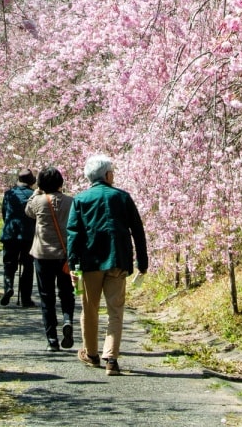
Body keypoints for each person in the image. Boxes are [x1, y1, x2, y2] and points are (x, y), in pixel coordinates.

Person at [66, 154, 148, 376]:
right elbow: (137, 231)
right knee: (115, 310)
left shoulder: (81, 200)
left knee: (89, 308)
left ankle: (91, 354)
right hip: (117, 260)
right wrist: (143, 261)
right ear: (108, 175)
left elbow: (73, 233)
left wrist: (73, 263)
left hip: (90, 261)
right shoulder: (122, 197)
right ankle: (111, 359)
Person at [25, 167, 76, 351]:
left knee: (47, 297)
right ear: (60, 183)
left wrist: (37, 192)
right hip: (65, 256)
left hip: (43, 255)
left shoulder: (37, 201)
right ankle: (68, 319)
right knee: (66, 293)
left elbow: (28, 211)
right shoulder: (71, 201)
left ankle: (52, 340)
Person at [0, 168, 37, 307]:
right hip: (28, 236)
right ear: (31, 182)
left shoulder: (9, 194)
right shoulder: (33, 195)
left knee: (9, 265)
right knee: (27, 266)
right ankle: (26, 299)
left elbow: (4, 213)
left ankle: (8, 287)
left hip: (10, 234)